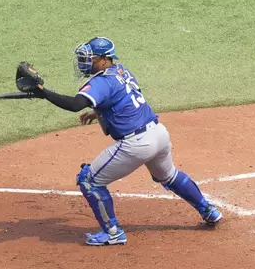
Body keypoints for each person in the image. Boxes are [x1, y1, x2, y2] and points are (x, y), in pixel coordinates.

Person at [31, 37, 223, 246]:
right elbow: (125, 98)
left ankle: (113, 232)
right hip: (159, 134)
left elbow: (75, 104)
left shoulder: (100, 81)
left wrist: (44, 93)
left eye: (90, 58)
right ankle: (209, 210)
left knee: (89, 180)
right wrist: (97, 113)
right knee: (169, 176)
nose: (84, 62)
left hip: (137, 144)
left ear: (104, 60)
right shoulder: (121, 71)